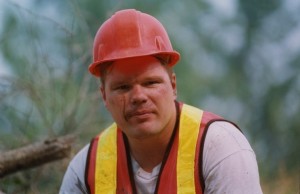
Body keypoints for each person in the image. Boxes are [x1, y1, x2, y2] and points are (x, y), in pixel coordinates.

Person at [60, 9, 263, 194]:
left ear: (173, 86)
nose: (138, 97)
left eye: (151, 83)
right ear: (104, 95)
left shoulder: (219, 148)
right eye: (123, 87)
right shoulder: (86, 169)